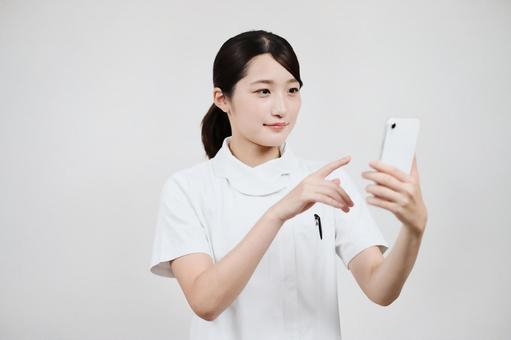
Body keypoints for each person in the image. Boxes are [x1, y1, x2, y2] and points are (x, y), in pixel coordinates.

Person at [149, 29, 428, 340]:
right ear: (222, 99)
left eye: (292, 90)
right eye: (263, 92)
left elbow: (380, 288)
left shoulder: (327, 183)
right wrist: (276, 214)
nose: (281, 108)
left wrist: (414, 229)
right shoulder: (188, 189)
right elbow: (205, 302)